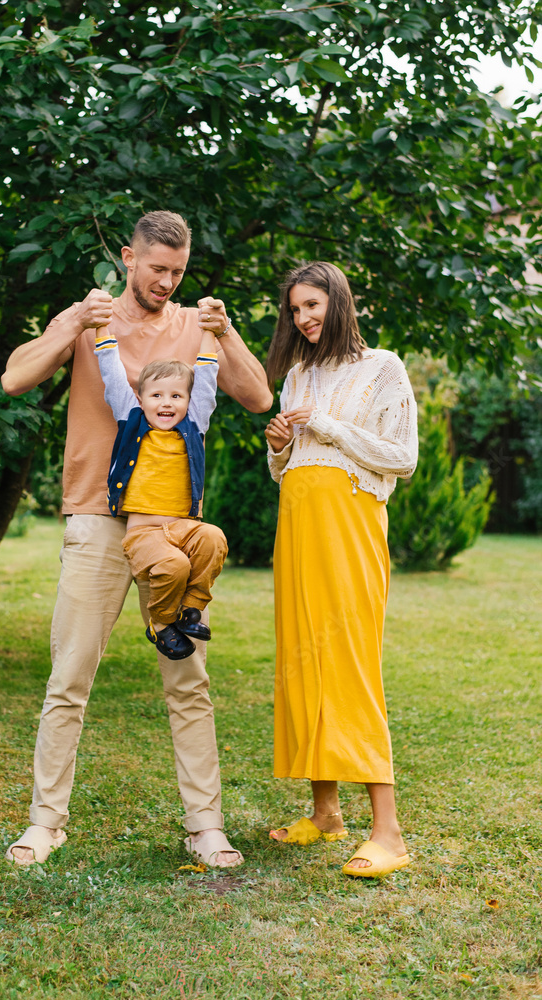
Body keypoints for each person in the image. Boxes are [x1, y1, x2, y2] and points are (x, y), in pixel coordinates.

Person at [1, 210, 272, 868]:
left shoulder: (191, 325)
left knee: (188, 677)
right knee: (69, 677)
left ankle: (205, 825)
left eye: (177, 272)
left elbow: (258, 396)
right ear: (129, 258)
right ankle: (46, 822)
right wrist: (71, 322)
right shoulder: (91, 319)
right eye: (157, 270)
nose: (167, 282)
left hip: (174, 526)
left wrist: (226, 330)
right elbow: (14, 377)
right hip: (97, 516)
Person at [264, 261, 418, 878]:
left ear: (339, 302)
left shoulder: (382, 366)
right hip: (298, 525)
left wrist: (326, 425)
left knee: (348, 661)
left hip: (350, 526)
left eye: (312, 306)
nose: (303, 319)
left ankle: (390, 832)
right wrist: (279, 445)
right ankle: (325, 812)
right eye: (295, 310)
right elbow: (288, 469)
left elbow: (401, 456)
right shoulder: (297, 376)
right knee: (303, 657)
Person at [94, 325, 227, 660]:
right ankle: (161, 622)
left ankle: (189, 609)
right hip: (145, 533)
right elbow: (112, 374)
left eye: (176, 396)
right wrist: (101, 327)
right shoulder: (132, 419)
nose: (166, 403)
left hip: (184, 527)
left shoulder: (194, 424)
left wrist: (210, 332)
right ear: (140, 399)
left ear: (188, 401)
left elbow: (207, 380)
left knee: (213, 539)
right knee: (173, 565)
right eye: (157, 395)